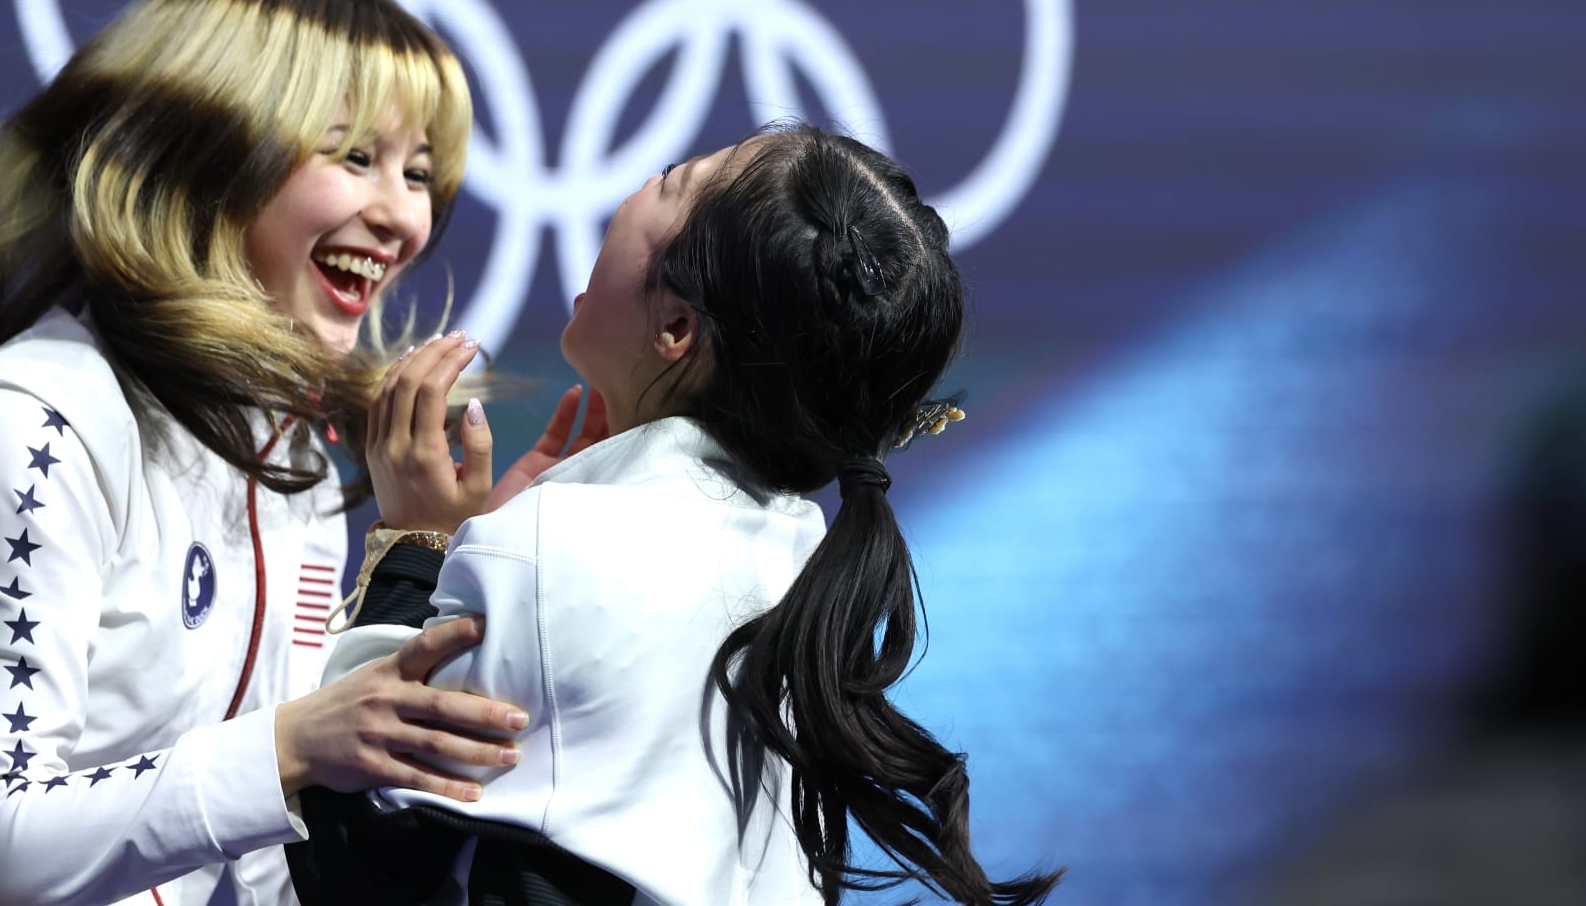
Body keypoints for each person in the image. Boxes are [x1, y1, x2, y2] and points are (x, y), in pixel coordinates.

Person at [0, 0, 583, 906]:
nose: (402, 218)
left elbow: (267, 860)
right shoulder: (31, 432)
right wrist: (291, 745)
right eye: (353, 157)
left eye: (419, 173)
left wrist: (439, 572)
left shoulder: (293, 451)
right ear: (207, 155)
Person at [289, 126, 1063, 905]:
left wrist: (416, 544)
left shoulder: (553, 550)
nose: (629, 194)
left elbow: (350, 853)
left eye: (666, 181)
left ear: (676, 332)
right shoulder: (803, 562)